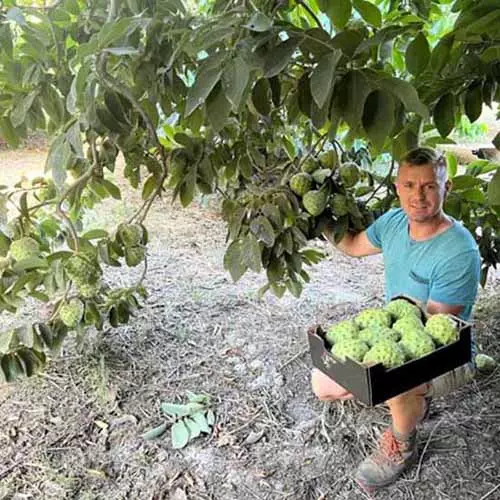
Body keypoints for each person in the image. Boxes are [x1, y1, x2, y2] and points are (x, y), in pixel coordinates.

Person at [311, 147, 481, 493]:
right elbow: (355, 245)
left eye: (430, 186)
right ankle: (405, 397)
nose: (418, 196)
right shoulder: (392, 222)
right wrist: (319, 220)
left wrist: (374, 370)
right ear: (397, 187)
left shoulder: (458, 251)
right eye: (409, 185)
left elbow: (432, 335)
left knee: (397, 377)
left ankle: (402, 439)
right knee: (324, 384)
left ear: (446, 189)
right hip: (400, 331)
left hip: (444, 352)